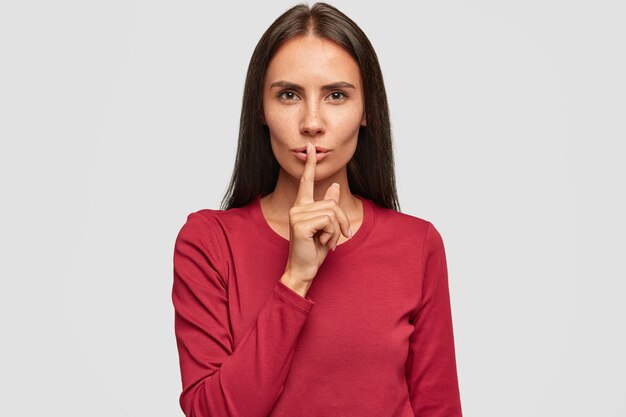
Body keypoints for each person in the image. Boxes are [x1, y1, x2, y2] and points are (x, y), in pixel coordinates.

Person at [171, 2, 463, 416]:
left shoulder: (417, 245)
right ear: (261, 110)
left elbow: (439, 408)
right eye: (289, 95)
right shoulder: (208, 242)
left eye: (337, 95)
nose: (312, 122)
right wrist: (296, 278)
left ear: (367, 112)